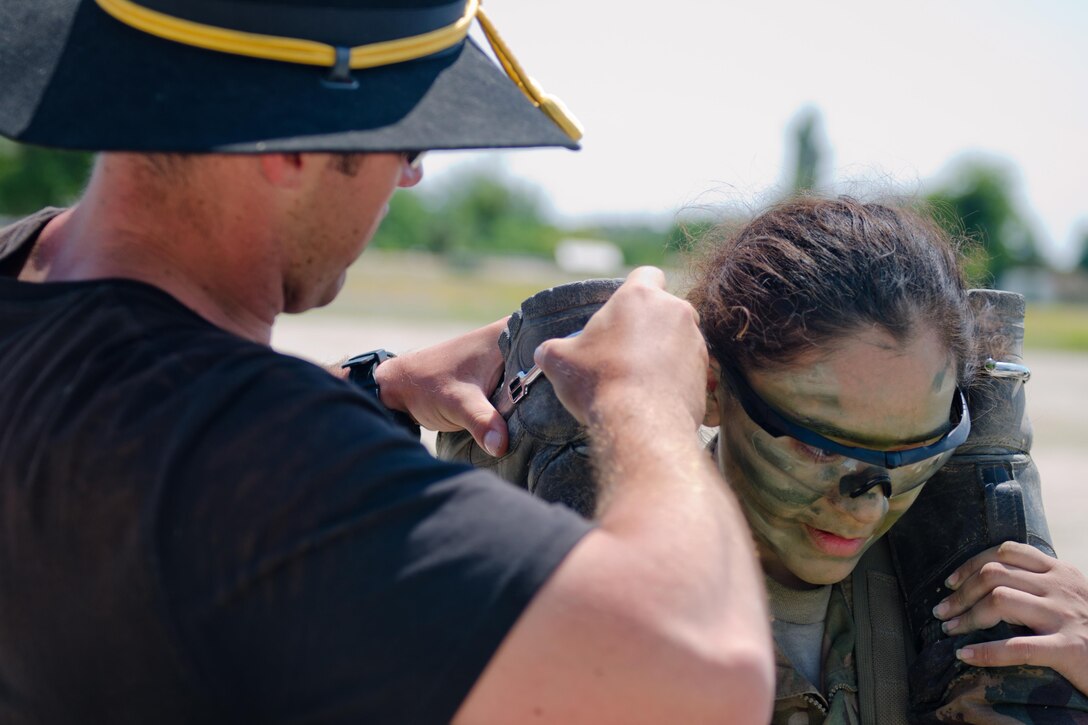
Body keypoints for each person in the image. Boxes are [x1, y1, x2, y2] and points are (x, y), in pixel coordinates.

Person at [0, 1, 774, 723]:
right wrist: (645, 400)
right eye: (408, 139)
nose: (413, 175)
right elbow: (706, 673)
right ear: (297, 140)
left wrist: (370, 390)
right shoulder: (262, 463)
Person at [441, 196, 1088, 723]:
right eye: (818, 443)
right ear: (713, 389)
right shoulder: (565, 574)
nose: (867, 501)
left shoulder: (980, 600)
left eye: (916, 452)